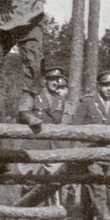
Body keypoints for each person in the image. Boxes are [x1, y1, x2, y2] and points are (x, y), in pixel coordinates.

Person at [73, 71, 110, 220]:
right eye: (105, 85)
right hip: (91, 154)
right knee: (96, 184)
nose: (109, 88)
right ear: (98, 86)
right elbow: (76, 127)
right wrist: (81, 152)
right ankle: (105, 218)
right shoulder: (87, 102)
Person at [17, 66, 76, 204]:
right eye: (52, 79)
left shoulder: (60, 100)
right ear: (44, 80)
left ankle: (51, 211)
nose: (56, 82)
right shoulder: (33, 96)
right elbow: (21, 116)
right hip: (34, 144)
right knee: (29, 181)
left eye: (57, 79)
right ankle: (23, 211)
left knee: (54, 181)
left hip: (53, 146)